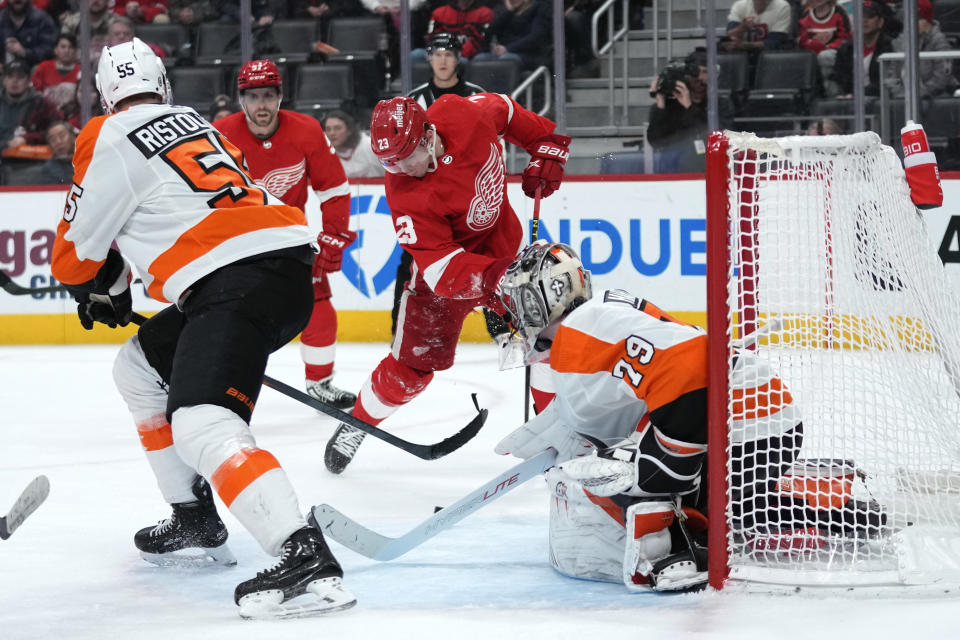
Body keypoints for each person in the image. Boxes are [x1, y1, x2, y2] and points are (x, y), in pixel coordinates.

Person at [49, 38, 355, 618]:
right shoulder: (190, 120)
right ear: (161, 84)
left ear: (103, 96)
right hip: (281, 268)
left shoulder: (106, 134)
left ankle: (302, 551)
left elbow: (72, 258)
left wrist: (103, 285)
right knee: (138, 369)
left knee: (202, 422)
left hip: (233, 281)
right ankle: (193, 515)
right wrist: (111, 282)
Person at [492, 242, 883, 591]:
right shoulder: (603, 312)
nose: (514, 316)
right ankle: (845, 513)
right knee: (737, 505)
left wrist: (599, 451)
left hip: (729, 416)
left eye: (519, 303)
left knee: (620, 477)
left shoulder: (575, 345)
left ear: (545, 296)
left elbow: (610, 427)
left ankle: (681, 552)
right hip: (763, 412)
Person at [321, 93, 570, 474]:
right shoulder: (404, 191)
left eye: (406, 156)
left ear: (426, 135)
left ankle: (556, 435)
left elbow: (504, 109)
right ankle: (357, 422)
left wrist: (544, 145)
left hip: (503, 249)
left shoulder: (462, 112)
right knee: (410, 373)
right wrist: (500, 280)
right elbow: (443, 272)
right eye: (390, 162)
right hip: (442, 281)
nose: (400, 169)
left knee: (547, 339)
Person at [214, 59, 357, 409]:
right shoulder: (219, 134)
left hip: (290, 239)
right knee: (226, 316)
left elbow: (335, 189)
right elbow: (201, 195)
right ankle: (219, 381)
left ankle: (320, 382)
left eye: (268, 96)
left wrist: (333, 236)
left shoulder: (306, 130)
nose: (261, 105)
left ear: (280, 96)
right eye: (253, 97)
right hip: (237, 245)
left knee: (318, 304)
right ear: (241, 100)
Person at [400, 31, 507, 341]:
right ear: (429, 58)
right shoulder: (412, 100)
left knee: (488, 253)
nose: (443, 60)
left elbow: (491, 140)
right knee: (411, 261)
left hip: (470, 188)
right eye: (437, 54)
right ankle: (403, 327)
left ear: (458, 58)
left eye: (449, 54)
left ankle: (501, 324)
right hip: (427, 196)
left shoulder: (476, 94)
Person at [646, 49, 729, 173]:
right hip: (674, 172)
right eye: (696, 73)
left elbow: (717, 140)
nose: (700, 78)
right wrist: (661, 104)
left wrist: (689, 106)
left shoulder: (720, 105)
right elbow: (656, 142)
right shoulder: (670, 106)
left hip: (709, 170)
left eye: (705, 72)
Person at [890, 0, 957, 99]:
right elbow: (892, 72)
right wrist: (899, 93)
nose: (910, 23)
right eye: (907, 19)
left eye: (917, 19)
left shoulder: (939, 41)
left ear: (927, 21)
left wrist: (920, 94)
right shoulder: (900, 41)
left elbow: (942, 78)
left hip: (935, 98)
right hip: (902, 98)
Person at [830, 0, 895, 97]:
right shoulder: (846, 49)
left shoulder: (890, 47)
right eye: (861, 16)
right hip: (850, 101)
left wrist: (860, 94)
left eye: (870, 16)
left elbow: (888, 83)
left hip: (881, 101)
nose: (864, 20)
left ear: (880, 22)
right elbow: (839, 79)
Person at [473, 0, 551, 71]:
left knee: (506, 60)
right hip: (503, 52)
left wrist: (508, 49)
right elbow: (489, 33)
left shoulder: (540, 6)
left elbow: (535, 37)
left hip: (527, 54)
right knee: (479, 59)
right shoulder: (505, 9)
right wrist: (509, 11)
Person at [0, 57, 58, 149]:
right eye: (10, 76)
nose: (15, 81)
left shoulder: (42, 104)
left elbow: (56, 131)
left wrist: (26, 139)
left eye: (20, 77)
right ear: (4, 80)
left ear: (28, 81)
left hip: (31, 159)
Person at [411, 0, 494, 62]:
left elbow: (478, 41)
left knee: (462, 61)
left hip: (467, 56)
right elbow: (432, 39)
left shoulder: (485, 13)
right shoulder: (439, 13)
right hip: (441, 54)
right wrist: (443, 54)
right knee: (415, 54)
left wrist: (453, 55)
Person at [796, 0, 850, 95]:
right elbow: (801, 39)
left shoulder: (839, 12)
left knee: (824, 57)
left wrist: (829, 46)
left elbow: (845, 38)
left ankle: (832, 95)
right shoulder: (806, 14)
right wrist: (814, 45)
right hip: (812, 53)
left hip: (834, 54)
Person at [322, 109, 383, 178]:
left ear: (349, 130)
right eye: (328, 129)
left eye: (337, 128)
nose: (332, 133)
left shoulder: (370, 146)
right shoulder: (324, 154)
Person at [30, 33, 79, 112]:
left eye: (71, 47)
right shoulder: (44, 67)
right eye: (63, 47)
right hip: (46, 114)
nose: (67, 50)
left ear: (76, 51)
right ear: (55, 50)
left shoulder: (81, 71)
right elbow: (34, 93)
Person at [0, 0, 57, 67]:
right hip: (4, 71)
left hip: (33, 69)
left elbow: (49, 50)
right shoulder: (1, 18)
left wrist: (24, 52)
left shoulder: (42, 19)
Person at [723, 0, 793, 53]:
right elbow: (730, 36)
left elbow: (774, 42)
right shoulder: (740, 5)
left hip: (770, 56)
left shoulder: (782, 6)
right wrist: (742, 27)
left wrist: (745, 45)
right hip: (743, 56)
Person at [39, 118, 73, 183]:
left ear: (73, 137)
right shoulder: (49, 170)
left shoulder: (88, 161)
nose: (58, 142)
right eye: (53, 139)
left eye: (62, 136)